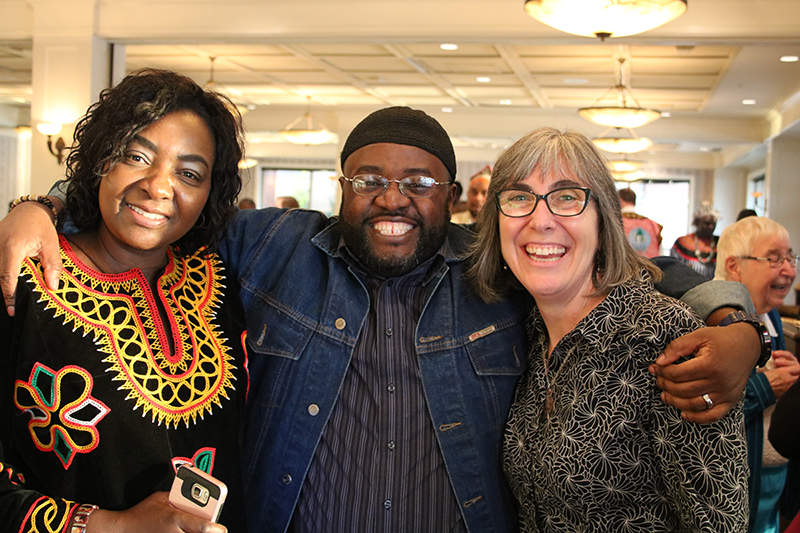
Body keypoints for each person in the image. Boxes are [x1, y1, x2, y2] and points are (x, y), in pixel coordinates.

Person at [0, 106, 766, 533]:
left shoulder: (490, 270)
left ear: (454, 194)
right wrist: (38, 208)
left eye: (418, 181)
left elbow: (622, 272)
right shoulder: (270, 247)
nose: (392, 197)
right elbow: (163, 210)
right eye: (369, 178)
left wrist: (736, 323)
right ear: (341, 186)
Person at [0, 70, 248, 533]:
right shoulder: (23, 277)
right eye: (136, 156)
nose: (158, 186)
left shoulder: (219, 282)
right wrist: (110, 526)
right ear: (100, 160)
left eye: (189, 174)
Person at [467, 127, 749, 531]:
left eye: (567, 197)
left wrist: (747, 331)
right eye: (519, 197)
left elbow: (717, 522)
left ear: (604, 220)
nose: (540, 220)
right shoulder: (524, 330)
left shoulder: (663, 336)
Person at [715, 216, 800, 532]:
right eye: (775, 259)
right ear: (734, 266)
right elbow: (700, 409)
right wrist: (768, 387)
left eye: (790, 257)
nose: (789, 270)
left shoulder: (772, 316)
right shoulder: (709, 323)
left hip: (771, 492)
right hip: (733, 493)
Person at [671, 201, 721, 279]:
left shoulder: (720, 243)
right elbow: (673, 269)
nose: (711, 227)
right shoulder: (682, 243)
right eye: (707, 223)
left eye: (713, 224)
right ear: (697, 222)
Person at [618, 187, 663, 257]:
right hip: (650, 266)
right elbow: (661, 253)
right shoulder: (653, 225)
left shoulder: (616, 223)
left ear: (620, 200)